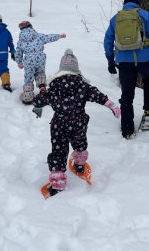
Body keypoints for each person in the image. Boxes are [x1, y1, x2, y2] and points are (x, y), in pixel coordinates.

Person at [33, 49, 121, 196]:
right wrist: (111, 104)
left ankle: (58, 181)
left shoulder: (54, 86)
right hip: (78, 122)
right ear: (76, 68)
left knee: (59, 150)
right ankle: (79, 164)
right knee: (80, 143)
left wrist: (38, 105)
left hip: (59, 124)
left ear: (61, 68)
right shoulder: (82, 85)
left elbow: (39, 100)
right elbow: (97, 95)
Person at [104, 0, 149, 138]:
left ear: (125, 3)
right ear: (137, 3)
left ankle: (127, 129)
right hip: (144, 59)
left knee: (127, 94)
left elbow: (108, 40)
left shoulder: (116, 18)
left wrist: (111, 60)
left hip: (124, 61)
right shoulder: (143, 15)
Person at [15, 20, 66, 104]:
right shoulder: (38, 36)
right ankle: (42, 87)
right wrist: (59, 36)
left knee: (29, 78)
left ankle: (28, 98)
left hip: (29, 61)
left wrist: (19, 62)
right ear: (31, 26)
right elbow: (49, 37)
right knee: (40, 73)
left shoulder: (21, 41)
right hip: (40, 59)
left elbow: (18, 52)